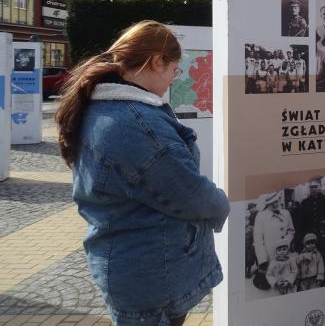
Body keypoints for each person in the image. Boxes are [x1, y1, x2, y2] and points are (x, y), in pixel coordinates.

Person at [54, 20, 230, 326]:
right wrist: (222, 203)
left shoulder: (103, 108)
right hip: (152, 273)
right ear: (157, 61)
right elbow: (191, 195)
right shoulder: (137, 124)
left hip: (133, 266)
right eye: (175, 70)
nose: (174, 81)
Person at [252, 193, 295, 289]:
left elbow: (291, 230)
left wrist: (286, 241)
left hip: (286, 253)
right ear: (267, 204)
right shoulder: (261, 216)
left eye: (277, 201)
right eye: (272, 203)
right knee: (272, 284)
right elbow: (258, 240)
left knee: (287, 281)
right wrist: (262, 260)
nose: (276, 204)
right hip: (270, 255)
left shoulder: (286, 213)